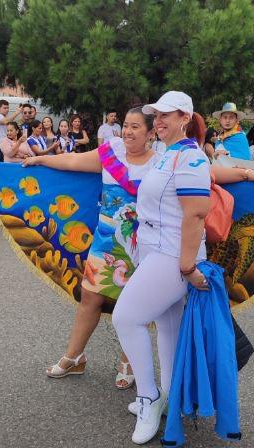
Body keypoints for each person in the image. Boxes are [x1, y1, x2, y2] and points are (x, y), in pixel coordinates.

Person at [23, 106, 156, 388]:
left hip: (142, 245)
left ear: (151, 132)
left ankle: (129, 360)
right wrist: (42, 161)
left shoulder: (162, 162)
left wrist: (244, 174)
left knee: (133, 305)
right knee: (90, 298)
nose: (128, 131)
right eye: (126, 126)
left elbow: (206, 176)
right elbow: (72, 160)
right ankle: (74, 357)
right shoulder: (112, 152)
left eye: (136, 127)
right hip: (105, 240)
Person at [112, 91, 211, 445]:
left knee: (125, 318)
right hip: (156, 253)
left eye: (166, 115)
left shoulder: (191, 157)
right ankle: (170, 397)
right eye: (156, 116)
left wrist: (186, 265)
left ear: (185, 117)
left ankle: (149, 399)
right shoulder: (169, 154)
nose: (159, 121)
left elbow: (197, 213)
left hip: (173, 257)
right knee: (168, 328)